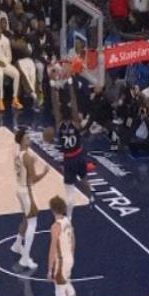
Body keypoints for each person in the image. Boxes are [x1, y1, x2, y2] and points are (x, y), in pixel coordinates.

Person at [48, 78, 93, 219]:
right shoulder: (76, 123)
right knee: (84, 179)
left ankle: (69, 217)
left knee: (70, 191)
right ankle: (91, 197)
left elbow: (55, 105)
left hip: (68, 160)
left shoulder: (59, 125)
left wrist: (52, 87)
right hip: (79, 156)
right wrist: (70, 85)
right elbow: (74, 104)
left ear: (61, 114)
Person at [11, 129, 49, 269]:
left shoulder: (18, 154)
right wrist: (44, 172)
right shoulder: (27, 157)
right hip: (26, 190)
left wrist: (32, 162)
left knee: (26, 219)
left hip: (19, 189)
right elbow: (33, 179)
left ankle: (17, 244)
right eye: (27, 138)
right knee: (33, 223)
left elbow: (25, 169)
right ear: (21, 141)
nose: (30, 140)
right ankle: (25, 259)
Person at [47, 195, 81, 296]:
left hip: (61, 262)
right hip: (69, 258)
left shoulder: (55, 226)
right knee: (67, 283)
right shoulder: (67, 221)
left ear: (53, 210)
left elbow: (52, 249)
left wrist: (50, 269)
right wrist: (71, 255)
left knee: (59, 292)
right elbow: (73, 239)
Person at [0, 24, 22, 112]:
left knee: (17, 74)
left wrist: (4, 63)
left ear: (1, 31)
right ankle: (0, 100)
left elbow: (9, 56)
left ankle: (15, 99)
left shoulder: (6, 40)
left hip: (5, 63)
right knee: (0, 75)